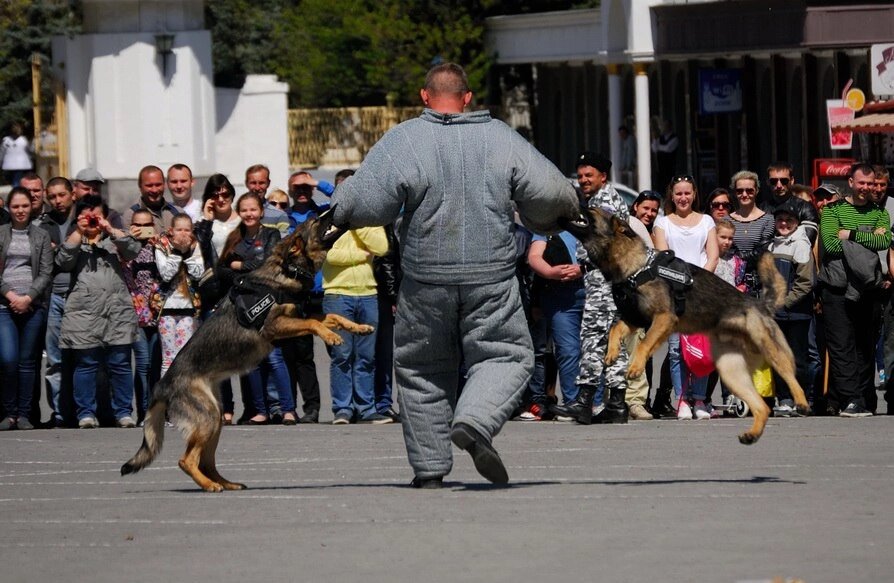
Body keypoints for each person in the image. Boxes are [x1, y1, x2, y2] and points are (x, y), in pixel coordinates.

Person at [331, 62, 579, 487]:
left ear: (424, 96)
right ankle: (476, 420)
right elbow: (552, 193)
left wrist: (339, 210)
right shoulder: (500, 137)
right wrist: (556, 217)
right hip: (491, 275)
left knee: (421, 369)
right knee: (506, 354)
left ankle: (429, 469)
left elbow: (365, 201)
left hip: (425, 278)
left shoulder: (405, 139)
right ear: (467, 98)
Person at [550, 152, 640, 424]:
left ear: (603, 176)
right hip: (611, 280)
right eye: (580, 176)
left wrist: (583, 265)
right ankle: (616, 404)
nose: (583, 180)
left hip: (604, 281)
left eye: (589, 175)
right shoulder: (603, 199)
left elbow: (603, 243)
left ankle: (584, 401)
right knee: (613, 341)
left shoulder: (603, 203)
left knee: (592, 338)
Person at [56, 195, 141, 428]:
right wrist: (78, 232)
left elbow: (133, 250)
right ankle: (85, 413)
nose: (93, 220)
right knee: (86, 364)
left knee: (120, 363)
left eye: (97, 215)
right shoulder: (74, 240)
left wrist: (109, 229)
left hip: (116, 309)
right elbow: (63, 262)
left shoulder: (113, 239)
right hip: (83, 312)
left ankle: (123, 412)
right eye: (88, 216)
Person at [217, 192, 297, 425]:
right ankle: (260, 411)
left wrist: (240, 265)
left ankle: (288, 410)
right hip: (244, 304)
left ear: (261, 211)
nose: (249, 214)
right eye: (244, 210)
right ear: (239, 212)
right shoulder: (235, 237)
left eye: (253, 209)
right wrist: (240, 274)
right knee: (252, 360)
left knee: (274, 357)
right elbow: (222, 269)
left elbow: (268, 263)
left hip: (268, 303)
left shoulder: (271, 234)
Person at [819, 163, 891, 417]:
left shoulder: (879, 212)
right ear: (851, 182)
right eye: (862, 183)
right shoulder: (832, 210)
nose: (866, 188)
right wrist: (868, 235)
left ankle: (864, 398)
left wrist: (850, 233)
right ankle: (851, 399)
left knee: (865, 345)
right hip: (837, 286)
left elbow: (884, 240)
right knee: (841, 345)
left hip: (867, 287)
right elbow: (830, 244)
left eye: (870, 183)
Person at [653, 174, 718, 420]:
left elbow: (712, 256)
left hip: (700, 293)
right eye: (678, 193)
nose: (683, 198)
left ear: (694, 194)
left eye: (687, 193)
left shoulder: (707, 221)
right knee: (676, 349)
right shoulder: (663, 223)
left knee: (701, 347)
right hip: (673, 293)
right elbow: (663, 258)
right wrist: (680, 283)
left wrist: (698, 282)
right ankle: (681, 399)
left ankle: (699, 399)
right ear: (672, 195)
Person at [323, 222, 390, 424]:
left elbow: (381, 247)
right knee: (341, 355)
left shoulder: (370, 221)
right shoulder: (329, 221)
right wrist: (362, 255)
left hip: (368, 293)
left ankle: (366, 409)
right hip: (337, 293)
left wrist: (359, 225)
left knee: (366, 356)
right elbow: (329, 255)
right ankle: (343, 409)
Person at [0, 187, 53, 430]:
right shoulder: (1, 233)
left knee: (27, 362)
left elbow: (45, 272)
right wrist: (11, 296)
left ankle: (23, 414)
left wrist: (28, 298)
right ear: (8, 208)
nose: (20, 210)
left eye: (24, 206)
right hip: (4, 304)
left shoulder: (41, 235)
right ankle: (8, 412)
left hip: (33, 306)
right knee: (8, 360)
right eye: (15, 206)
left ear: (31, 207)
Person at [193, 174, 242, 424]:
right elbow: (200, 249)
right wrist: (206, 219)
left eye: (225, 194)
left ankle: (256, 408)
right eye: (215, 195)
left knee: (242, 351)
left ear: (232, 194)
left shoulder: (242, 220)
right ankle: (224, 408)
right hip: (213, 290)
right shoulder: (205, 223)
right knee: (217, 355)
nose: (221, 199)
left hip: (238, 288)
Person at [525, 228, 585, 421]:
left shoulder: (595, 220)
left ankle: (594, 403)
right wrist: (550, 272)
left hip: (595, 293)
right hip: (560, 295)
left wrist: (583, 269)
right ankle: (572, 403)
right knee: (568, 350)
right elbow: (534, 256)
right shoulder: (548, 226)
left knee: (594, 350)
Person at [768, 201, 815, 417]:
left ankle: (801, 400)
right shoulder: (772, 245)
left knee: (798, 359)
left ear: (797, 222)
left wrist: (784, 302)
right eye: (780, 220)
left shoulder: (801, 243)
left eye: (789, 220)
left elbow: (805, 283)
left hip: (797, 314)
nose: (784, 224)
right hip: (776, 314)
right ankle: (785, 399)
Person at [40, 177, 78, 426]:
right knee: (55, 359)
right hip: (54, 294)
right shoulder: (43, 225)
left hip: (80, 294)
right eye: (52, 197)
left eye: (62, 195)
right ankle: (60, 413)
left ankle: (85, 410)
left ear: (72, 194)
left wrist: (58, 249)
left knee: (84, 357)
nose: (57, 201)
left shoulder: (83, 219)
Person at [122, 209, 164, 422]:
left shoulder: (160, 246)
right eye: (137, 225)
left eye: (147, 225)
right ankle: (143, 411)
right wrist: (130, 239)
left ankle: (157, 411)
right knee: (143, 364)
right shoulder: (126, 248)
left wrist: (160, 246)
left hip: (157, 310)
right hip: (135, 311)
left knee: (157, 364)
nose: (142, 229)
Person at [154, 214, 203, 377]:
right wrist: (176, 251)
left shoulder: (195, 246)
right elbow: (166, 274)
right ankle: (166, 392)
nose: (183, 234)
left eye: (187, 230)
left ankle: (183, 391)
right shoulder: (161, 246)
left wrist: (187, 253)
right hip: (167, 309)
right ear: (171, 231)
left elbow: (198, 274)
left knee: (185, 358)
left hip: (188, 309)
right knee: (169, 358)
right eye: (179, 230)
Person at [729, 170, 775, 296]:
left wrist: (739, 258)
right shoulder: (726, 220)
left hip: (758, 283)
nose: (744, 194)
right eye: (740, 191)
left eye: (749, 190)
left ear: (757, 191)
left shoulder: (768, 219)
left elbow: (763, 250)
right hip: (732, 282)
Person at [761, 162, 819, 243]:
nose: (779, 185)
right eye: (773, 181)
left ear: (792, 181)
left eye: (784, 181)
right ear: (767, 182)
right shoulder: (761, 208)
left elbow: (806, 240)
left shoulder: (805, 207)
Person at [121, 165, 179, 232]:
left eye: (158, 185)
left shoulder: (177, 212)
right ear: (140, 187)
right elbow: (127, 238)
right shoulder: (131, 215)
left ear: (164, 185)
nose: (154, 190)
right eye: (149, 185)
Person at [1, 123, 32, 187]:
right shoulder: (23, 139)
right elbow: (28, 150)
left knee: (15, 178)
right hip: (20, 163)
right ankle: (16, 187)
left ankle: (16, 187)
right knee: (17, 178)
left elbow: (2, 152)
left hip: (10, 164)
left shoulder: (6, 140)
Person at [651, 119, 678, 191]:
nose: (665, 128)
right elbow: (654, 149)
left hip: (670, 167)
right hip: (660, 167)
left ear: (670, 127)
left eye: (666, 126)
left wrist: (658, 147)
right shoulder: (660, 137)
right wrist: (654, 138)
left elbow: (668, 148)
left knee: (670, 185)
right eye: (664, 126)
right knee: (661, 185)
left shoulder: (674, 138)